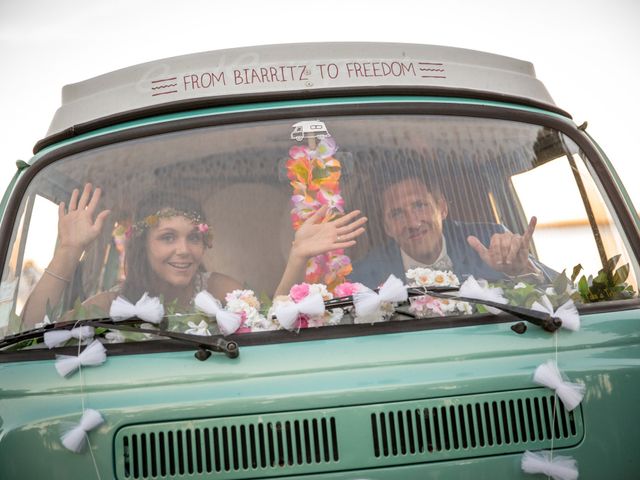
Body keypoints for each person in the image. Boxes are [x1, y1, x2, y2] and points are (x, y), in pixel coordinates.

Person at [21, 184, 367, 328]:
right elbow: (30, 332)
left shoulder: (217, 288)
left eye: (193, 238)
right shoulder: (113, 302)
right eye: (167, 238)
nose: (183, 250)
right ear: (143, 245)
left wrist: (297, 256)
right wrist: (69, 250)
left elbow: (270, 325)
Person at [351, 177, 555, 287]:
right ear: (387, 227)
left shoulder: (491, 241)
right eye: (397, 214)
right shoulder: (364, 276)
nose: (413, 222)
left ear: (442, 208)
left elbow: (562, 300)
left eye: (420, 205)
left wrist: (522, 271)